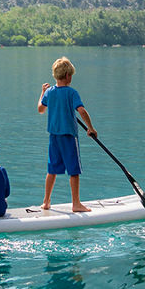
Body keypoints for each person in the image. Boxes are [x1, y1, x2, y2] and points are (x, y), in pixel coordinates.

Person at [38, 57, 96, 212]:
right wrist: (90, 128)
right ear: (68, 76)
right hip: (68, 137)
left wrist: (43, 92)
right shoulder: (72, 93)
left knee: (52, 170)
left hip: (54, 137)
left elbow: (40, 109)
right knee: (74, 171)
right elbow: (82, 111)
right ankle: (76, 204)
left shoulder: (49, 92)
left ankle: (46, 202)